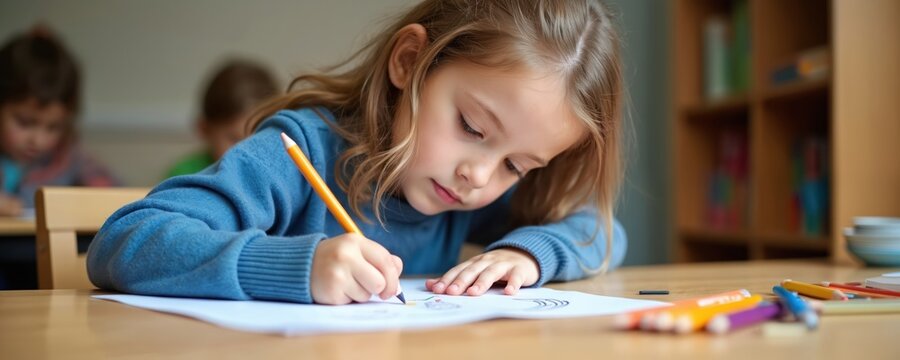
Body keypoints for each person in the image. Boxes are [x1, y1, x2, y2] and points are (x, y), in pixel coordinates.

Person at [87, 0, 628, 305]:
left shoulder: (458, 192)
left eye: (516, 165)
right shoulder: (299, 152)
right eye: (471, 126)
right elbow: (124, 241)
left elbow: (602, 232)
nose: (480, 176)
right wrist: (295, 268)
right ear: (409, 61)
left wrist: (528, 255)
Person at [0, 26, 118, 217]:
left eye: (53, 127)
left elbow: (116, 196)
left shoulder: (69, 158)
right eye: (25, 122)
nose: (38, 140)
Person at [165, 59, 279, 178]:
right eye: (235, 139)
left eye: (258, 138)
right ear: (204, 129)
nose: (247, 152)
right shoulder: (183, 177)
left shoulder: (274, 174)